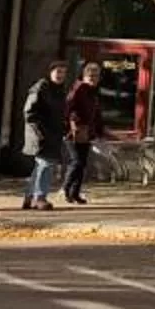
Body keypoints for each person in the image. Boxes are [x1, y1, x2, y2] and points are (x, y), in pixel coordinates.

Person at [21, 61, 70, 210]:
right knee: (45, 165)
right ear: (50, 72)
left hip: (52, 133)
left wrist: (63, 127)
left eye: (63, 72)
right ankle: (39, 197)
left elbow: (59, 113)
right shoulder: (41, 88)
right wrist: (38, 132)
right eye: (58, 72)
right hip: (41, 134)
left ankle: (30, 197)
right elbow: (29, 112)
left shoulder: (59, 90)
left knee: (41, 165)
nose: (60, 75)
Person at [61, 61, 107, 206]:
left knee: (82, 164)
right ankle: (66, 188)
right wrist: (74, 123)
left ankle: (75, 193)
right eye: (90, 76)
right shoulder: (79, 88)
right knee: (77, 161)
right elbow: (69, 108)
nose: (93, 78)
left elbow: (96, 115)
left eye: (96, 76)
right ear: (84, 76)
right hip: (73, 132)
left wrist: (99, 132)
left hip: (86, 132)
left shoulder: (93, 93)